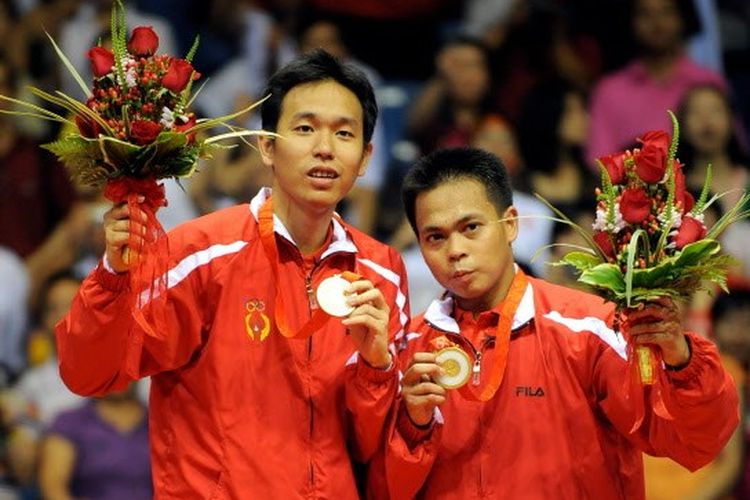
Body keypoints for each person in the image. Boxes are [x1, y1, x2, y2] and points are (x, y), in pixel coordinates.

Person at [55, 50, 410, 498]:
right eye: (304, 128)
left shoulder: (383, 272)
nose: (325, 147)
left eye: (344, 133)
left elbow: (370, 445)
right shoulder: (201, 253)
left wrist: (378, 368)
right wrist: (114, 276)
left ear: (364, 158)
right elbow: (90, 374)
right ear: (266, 145)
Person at [371, 147, 739, 499]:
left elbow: (694, 442)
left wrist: (680, 359)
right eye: (435, 237)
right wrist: (413, 428)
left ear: (511, 224)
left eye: (471, 227)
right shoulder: (406, 348)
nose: (455, 251)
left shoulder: (590, 328)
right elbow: (381, 488)